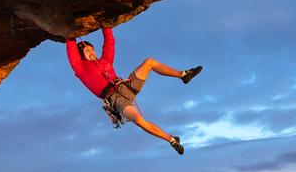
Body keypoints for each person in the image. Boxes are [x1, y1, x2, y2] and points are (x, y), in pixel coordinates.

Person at [66, 27, 202, 155]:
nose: (91, 52)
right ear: (81, 55)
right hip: (115, 100)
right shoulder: (80, 68)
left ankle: (183, 75)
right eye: (87, 51)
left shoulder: (105, 61)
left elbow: (110, 42)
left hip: (125, 86)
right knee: (139, 120)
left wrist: (105, 25)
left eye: (92, 49)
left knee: (149, 62)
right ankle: (171, 140)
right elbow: (71, 47)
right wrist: (69, 32)